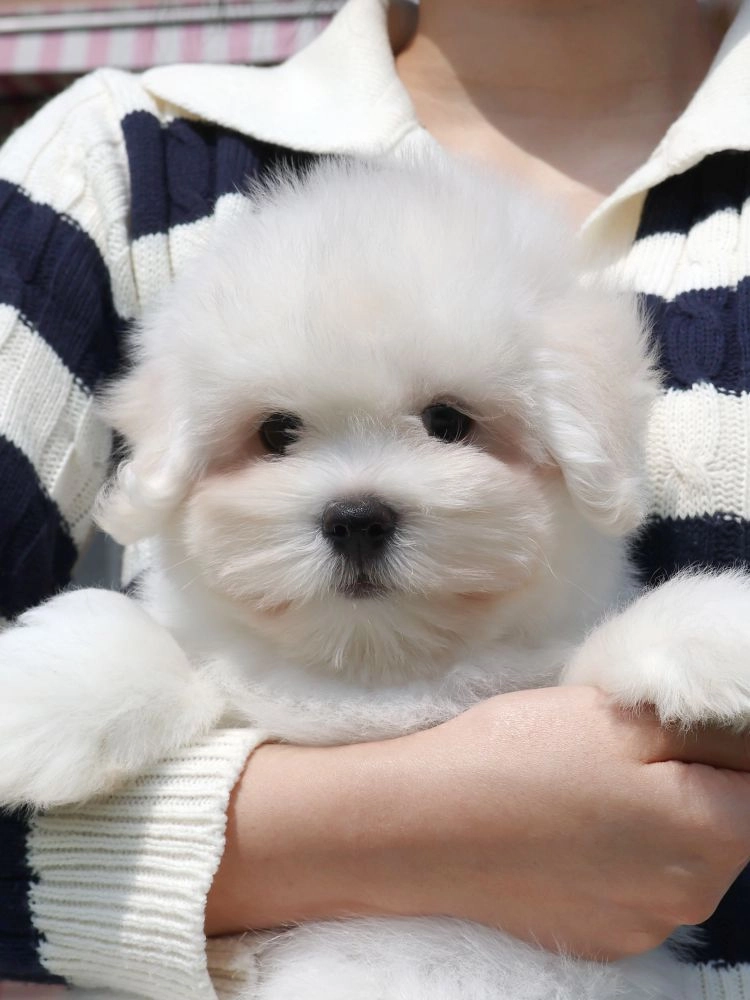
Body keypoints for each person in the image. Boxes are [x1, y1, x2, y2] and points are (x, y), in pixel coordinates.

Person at [1, 0, 749, 996]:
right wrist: (389, 829)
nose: (357, 505)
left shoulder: (628, 643)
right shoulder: (119, 157)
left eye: (448, 422)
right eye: (277, 434)